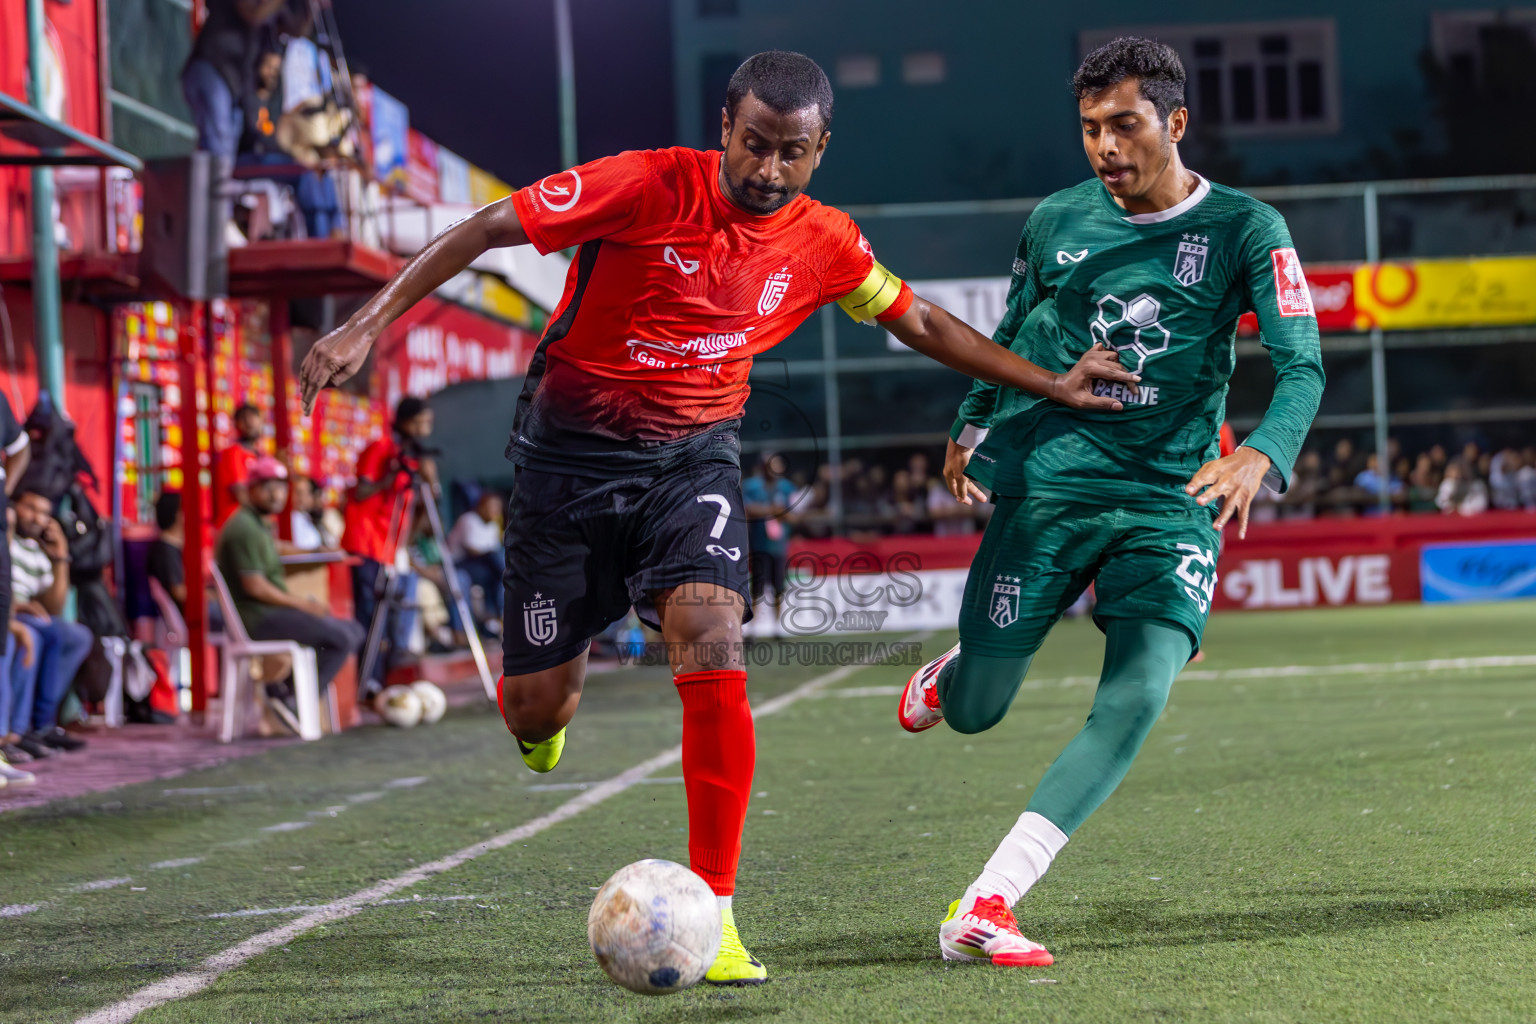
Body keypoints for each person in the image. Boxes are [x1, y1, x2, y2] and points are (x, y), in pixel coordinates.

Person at [299, 50, 1133, 984]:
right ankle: (536, 711)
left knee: (711, 637)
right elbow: (489, 225)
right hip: (567, 467)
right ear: (725, 127)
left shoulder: (826, 242)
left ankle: (720, 917)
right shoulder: (643, 183)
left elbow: (924, 323)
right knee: (539, 708)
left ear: (821, 149)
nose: (769, 169)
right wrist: (365, 322)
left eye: (792, 152)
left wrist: (1051, 383)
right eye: (755, 144)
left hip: (692, 462)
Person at [899, 38, 1325, 967]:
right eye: (1090, 127)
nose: (1105, 146)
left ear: (1175, 122)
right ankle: (956, 675)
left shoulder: (1249, 229)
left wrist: (1261, 453)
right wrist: (973, 420)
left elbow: (1303, 365)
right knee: (976, 712)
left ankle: (990, 899)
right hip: (1050, 484)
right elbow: (1014, 326)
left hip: (1172, 497)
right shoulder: (1055, 219)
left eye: (1125, 125)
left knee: (1140, 691)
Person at [215, 457, 364, 733]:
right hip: (257, 618)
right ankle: (291, 698)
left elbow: (277, 547)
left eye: (281, 487)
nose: (276, 494)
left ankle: (283, 692)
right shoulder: (244, 528)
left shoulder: (256, 524)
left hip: (269, 613)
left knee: (353, 631)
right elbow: (255, 587)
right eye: (267, 487)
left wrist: (313, 551)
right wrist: (303, 605)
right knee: (341, 638)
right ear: (251, 490)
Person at [341, 398, 434, 693]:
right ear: (405, 421)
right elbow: (361, 491)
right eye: (421, 421)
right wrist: (391, 476)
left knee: (389, 615)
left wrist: (430, 490)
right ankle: (366, 682)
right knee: (369, 615)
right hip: (365, 544)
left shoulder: (414, 460)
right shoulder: (381, 448)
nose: (425, 428)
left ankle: (382, 679)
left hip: (390, 550)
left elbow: (414, 520)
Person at [10, 489, 93, 755]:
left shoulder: (35, 551)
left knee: (77, 636)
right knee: (41, 634)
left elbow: (53, 607)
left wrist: (60, 557)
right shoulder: (8, 539)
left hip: (27, 616)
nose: (37, 518)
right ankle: (25, 728)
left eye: (44, 513)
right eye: (30, 508)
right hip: (9, 613)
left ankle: (40, 723)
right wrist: (13, 605)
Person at [181, 0, 302, 161]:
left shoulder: (269, 18)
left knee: (225, 156)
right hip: (213, 69)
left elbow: (296, 28)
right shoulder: (256, 9)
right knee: (219, 151)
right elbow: (252, 13)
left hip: (233, 87)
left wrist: (312, 7)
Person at [741, 453, 796, 633]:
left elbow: (794, 514)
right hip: (759, 544)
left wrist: (782, 513)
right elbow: (747, 508)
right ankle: (753, 628)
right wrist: (772, 510)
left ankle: (777, 627)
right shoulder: (752, 486)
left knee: (779, 587)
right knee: (757, 588)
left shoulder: (786, 487)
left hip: (779, 545)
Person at [446, 488, 506, 628]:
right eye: (492, 506)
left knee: (501, 573)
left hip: (482, 568)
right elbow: (473, 551)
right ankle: (496, 615)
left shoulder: (493, 525)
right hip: (459, 565)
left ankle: (498, 616)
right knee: (499, 564)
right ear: (482, 506)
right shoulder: (468, 519)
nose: (496, 510)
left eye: (498, 507)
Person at [213, 404, 264, 529]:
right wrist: (261, 522)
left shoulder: (260, 456)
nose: (249, 422)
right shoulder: (232, 452)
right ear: (236, 425)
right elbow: (240, 493)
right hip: (235, 523)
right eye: (244, 419)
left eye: (253, 417)